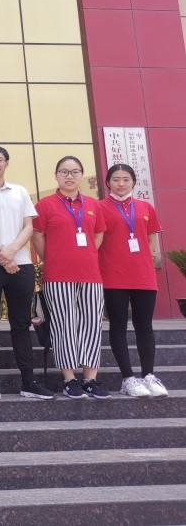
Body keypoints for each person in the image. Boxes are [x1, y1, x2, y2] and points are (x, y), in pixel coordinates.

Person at [0, 146, 55, 401]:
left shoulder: (20, 191)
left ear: (7, 163)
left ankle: (28, 381)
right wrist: (1, 255)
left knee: (21, 324)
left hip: (21, 264)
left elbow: (28, 227)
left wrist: (12, 252)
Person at [32, 156, 108, 400]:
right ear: (56, 176)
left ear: (81, 175)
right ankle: (69, 379)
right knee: (64, 325)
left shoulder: (93, 204)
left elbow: (98, 234)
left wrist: (86, 254)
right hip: (58, 275)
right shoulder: (45, 204)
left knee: (91, 325)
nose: (69, 176)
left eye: (75, 172)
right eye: (64, 171)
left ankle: (90, 379)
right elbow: (37, 235)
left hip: (91, 275)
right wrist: (51, 258)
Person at [99, 164, 167, 398]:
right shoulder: (99, 207)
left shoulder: (145, 207)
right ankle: (128, 378)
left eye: (126, 179)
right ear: (108, 183)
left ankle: (149, 376)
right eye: (116, 179)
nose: (121, 183)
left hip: (143, 275)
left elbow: (151, 238)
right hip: (113, 276)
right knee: (118, 326)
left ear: (133, 182)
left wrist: (149, 258)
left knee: (144, 326)